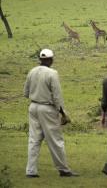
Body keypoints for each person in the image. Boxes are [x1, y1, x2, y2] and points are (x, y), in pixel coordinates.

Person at [24, 48, 78, 178]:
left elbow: (25, 93)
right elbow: (57, 96)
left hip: (33, 107)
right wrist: (63, 113)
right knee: (55, 140)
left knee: (34, 140)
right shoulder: (52, 73)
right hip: (47, 109)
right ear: (50, 59)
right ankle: (63, 169)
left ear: (40, 59)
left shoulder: (32, 71)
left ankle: (31, 171)